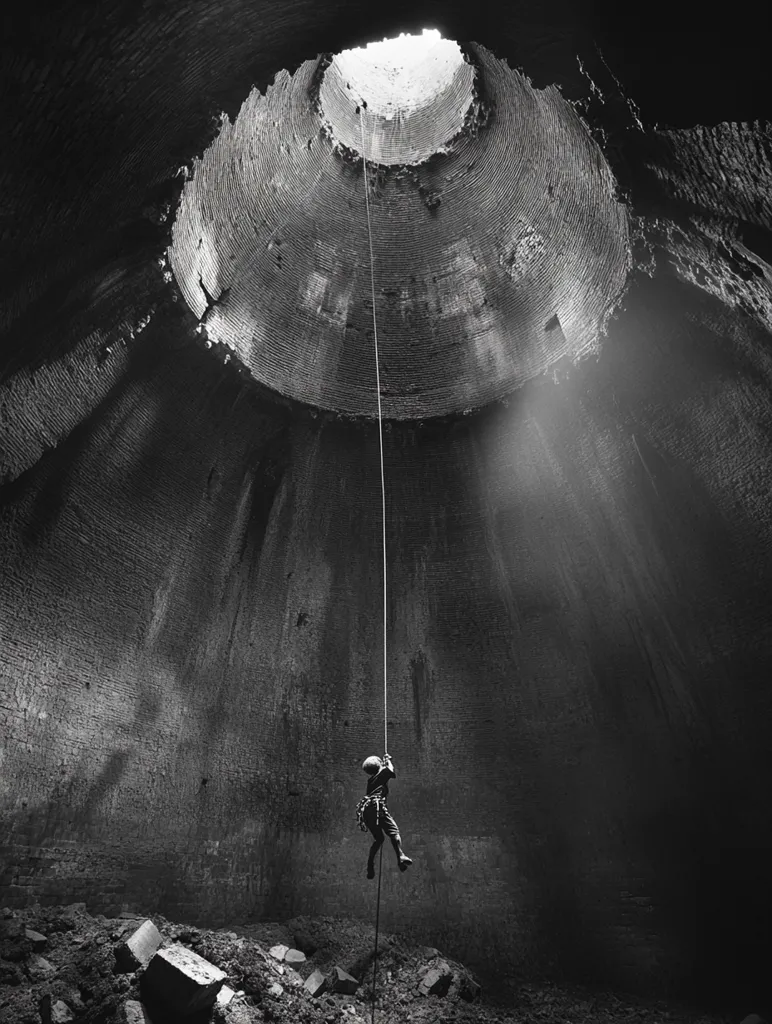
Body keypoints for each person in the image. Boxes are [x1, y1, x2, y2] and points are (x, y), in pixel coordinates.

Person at [356, 752, 413, 879]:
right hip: (377, 807)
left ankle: (370, 865)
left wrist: (383, 763)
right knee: (394, 832)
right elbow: (391, 771)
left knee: (379, 839)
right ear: (379, 765)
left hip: (367, 811)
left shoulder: (371, 780)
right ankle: (400, 857)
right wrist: (388, 760)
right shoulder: (381, 774)